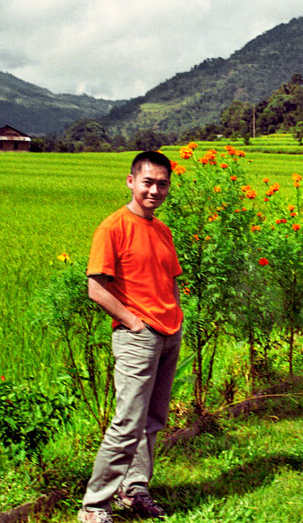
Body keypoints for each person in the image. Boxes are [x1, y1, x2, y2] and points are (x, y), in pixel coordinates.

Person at [78, 151, 183, 523]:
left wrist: (176, 315)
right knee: (127, 423)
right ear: (131, 181)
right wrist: (133, 323)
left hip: (169, 333)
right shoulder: (113, 228)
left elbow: (170, 279)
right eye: (148, 182)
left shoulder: (161, 228)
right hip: (138, 337)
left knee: (152, 420)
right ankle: (94, 507)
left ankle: (134, 490)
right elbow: (96, 287)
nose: (155, 190)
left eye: (162, 183)